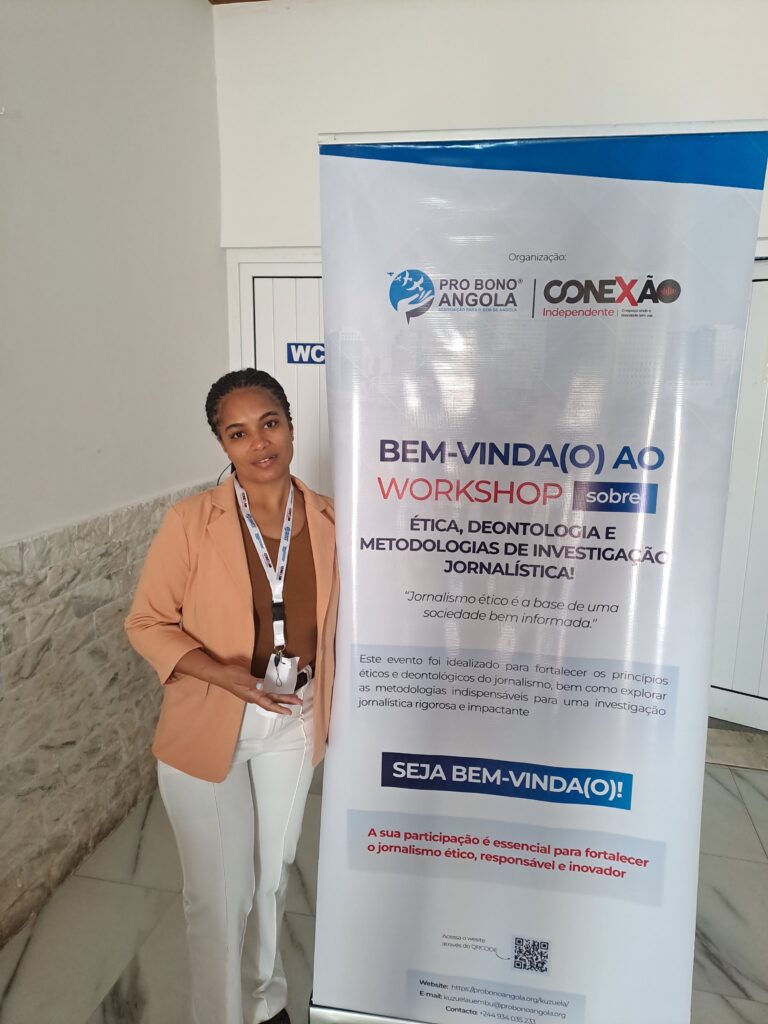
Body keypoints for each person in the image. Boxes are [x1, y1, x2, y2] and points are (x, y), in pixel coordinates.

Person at [125, 369, 338, 1024]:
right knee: (221, 894)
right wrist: (224, 676)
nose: (259, 443)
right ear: (223, 445)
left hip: (294, 716)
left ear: (291, 426)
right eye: (238, 433)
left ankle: (265, 1002)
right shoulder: (192, 522)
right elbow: (147, 622)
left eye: (269, 423)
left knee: (273, 875)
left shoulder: (333, 519)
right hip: (212, 717)